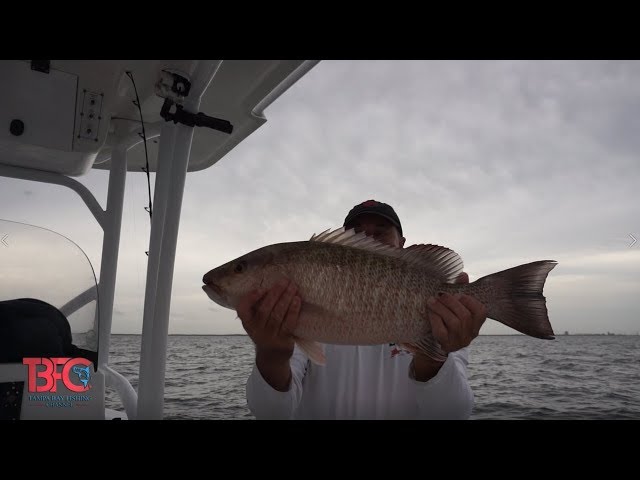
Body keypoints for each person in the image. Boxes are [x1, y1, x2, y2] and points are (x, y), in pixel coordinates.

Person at [238, 200, 487, 419]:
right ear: (342, 243)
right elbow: (271, 413)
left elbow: (452, 413)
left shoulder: (445, 317)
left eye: (380, 232)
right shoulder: (294, 305)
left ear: (401, 244)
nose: (368, 239)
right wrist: (271, 356)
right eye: (357, 233)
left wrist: (432, 359)